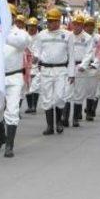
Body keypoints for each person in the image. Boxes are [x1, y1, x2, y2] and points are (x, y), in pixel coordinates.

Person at [0, 4, 30, 158]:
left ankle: (9, 145)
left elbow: (23, 44)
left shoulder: (20, 33)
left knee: (12, 111)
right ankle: (0, 138)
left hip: (14, 76)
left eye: (9, 15)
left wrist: (3, 34)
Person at [32, 7, 75, 136]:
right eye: (49, 21)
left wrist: (72, 73)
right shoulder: (41, 35)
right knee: (47, 98)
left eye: (54, 21)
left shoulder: (68, 35)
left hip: (61, 69)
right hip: (45, 69)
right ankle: (50, 126)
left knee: (59, 97)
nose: (51, 23)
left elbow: (71, 55)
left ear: (59, 21)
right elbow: (37, 51)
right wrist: (35, 58)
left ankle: (59, 122)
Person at [71, 15, 92, 127]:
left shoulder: (88, 38)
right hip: (69, 66)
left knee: (79, 93)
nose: (76, 26)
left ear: (82, 25)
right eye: (75, 24)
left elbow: (89, 53)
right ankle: (64, 117)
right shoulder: (68, 36)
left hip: (80, 67)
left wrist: (83, 65)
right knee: (67, 92)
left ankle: (75, 118)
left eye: (79, 24)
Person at [82, 17, 99, 121]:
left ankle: (89, 111)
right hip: (81, 67)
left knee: (91, 91)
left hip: (93, 66)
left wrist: (96, 64)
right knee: (78, 91)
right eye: (87, 25)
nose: (90, 27)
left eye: (92, 25)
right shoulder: (80, 37)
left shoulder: (99, 38)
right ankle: (78, 112)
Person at [24, 17, 40, 114]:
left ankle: (34, 106)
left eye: (34, 26)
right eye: (30, 26)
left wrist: (37, 57)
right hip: (25, 63)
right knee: (26, 85)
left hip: (36, 63)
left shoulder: (40, 37)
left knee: (35, 84)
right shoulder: (24, 36)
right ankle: (29, 106)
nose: (32, 28)